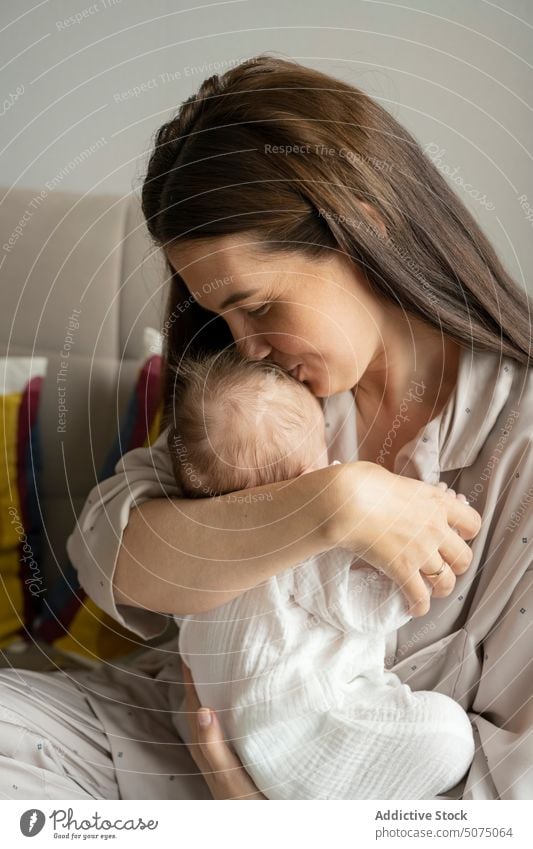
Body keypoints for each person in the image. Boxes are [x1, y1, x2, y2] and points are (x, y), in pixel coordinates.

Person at [0, 53, 531, 800]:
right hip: (158, 735)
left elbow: (507, 789)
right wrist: (332, 505)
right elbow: (113, 554)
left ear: (362, 229)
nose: (244, 345)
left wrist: (246, 807)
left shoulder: (516, 444)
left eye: (256, 305)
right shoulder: (267, 394)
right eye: (219, 315)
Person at [167, 348, 476, 799]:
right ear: (303, 479)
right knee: (448, 736)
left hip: (237, 738)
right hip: (310, 736)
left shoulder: (203, 552)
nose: (334, 467)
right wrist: (434, 533)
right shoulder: (302, 542)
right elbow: (368, 611)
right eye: (321, 460)